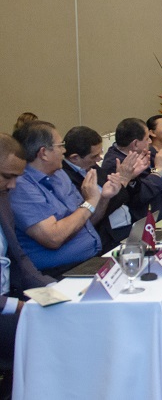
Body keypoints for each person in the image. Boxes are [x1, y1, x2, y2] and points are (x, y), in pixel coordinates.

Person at [10, 121, 122, 276]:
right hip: (59, 272)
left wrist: (103, 198)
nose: (64, 150)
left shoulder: (59, 174)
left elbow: (86, 220)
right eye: (60, 145)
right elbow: (53, 238)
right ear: (44, 153)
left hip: (91, 261)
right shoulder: (21, 187)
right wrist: (89, 202)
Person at [0, 134, 55, 399]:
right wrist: (19, 306)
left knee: (60, 316)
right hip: (5, 305)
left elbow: (19, 257)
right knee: (45, 332)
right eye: (7, 176)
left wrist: (52, 289)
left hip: (10, 296)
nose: (12, 186)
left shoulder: (2, 198)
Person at [62, 126, 147, 251]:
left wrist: (130, 178)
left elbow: (123, 197)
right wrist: (123, 180)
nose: (100, 159)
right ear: (75, 158)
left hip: (127, 224)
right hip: (106, 236)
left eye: (100, 152)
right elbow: (92, 216)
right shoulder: (65, 178)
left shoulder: (91, 166)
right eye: (94, 156)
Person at [100, 118, 162, 222]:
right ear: (135, 144)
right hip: (141, 222)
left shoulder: (141, 153)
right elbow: (139, 198)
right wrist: (158, 170)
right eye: (147, 138)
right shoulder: (115, 164)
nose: (150, 141)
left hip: (157, 216)